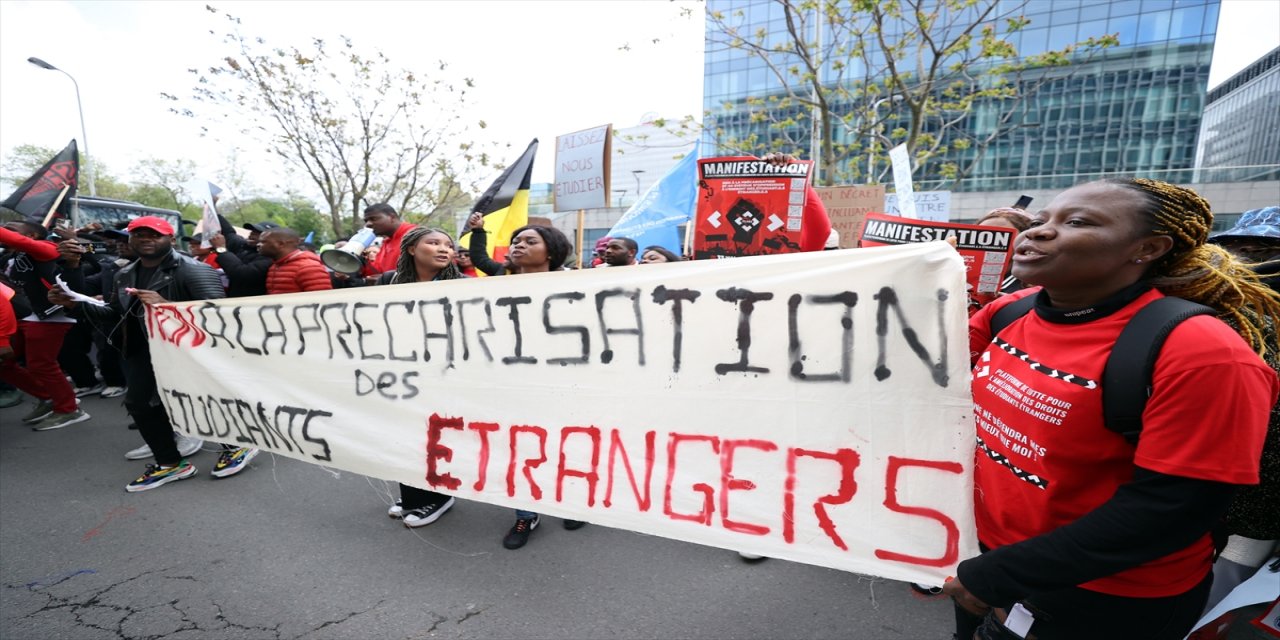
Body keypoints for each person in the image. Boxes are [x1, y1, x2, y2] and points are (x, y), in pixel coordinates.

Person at [945, 179, 1279, 640]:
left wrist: (1003, 572)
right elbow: (920, 374)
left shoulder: (1205, 355)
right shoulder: (1012, 310)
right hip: (988, 565)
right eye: (1042, 220)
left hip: (1106, 598)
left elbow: (1172, 510)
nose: (1039, 232)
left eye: (1076, 222)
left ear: (1147, 247)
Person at [48, 216, 226, 492]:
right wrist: (73, 304)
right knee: (141, 404)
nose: (146, 239)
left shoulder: (194, 270)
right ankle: (170, 463)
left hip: (187, 351)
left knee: (202, 401)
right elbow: (116, 315)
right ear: (130, 238)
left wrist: (168, 306)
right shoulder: (125, 273)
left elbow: (218, 318)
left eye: (154, 235)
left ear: (170, 238)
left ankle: (238, 445)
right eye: (139, 234)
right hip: (142, 348)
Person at [466, 211, 585, 549]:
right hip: (512, 382)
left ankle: (572, 502)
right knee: (519, 448)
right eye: (516, 241)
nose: (519, 246)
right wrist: (478, 231)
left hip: (563, 381)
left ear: (551, 251)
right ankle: (525, 513)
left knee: (566, 443)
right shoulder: (499, 279)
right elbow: (478, 258)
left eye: (529, 241)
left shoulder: (578, 285)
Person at [1201, 205, 1280, 611]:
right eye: (1239, 246)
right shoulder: (1211, 304)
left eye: (1264, 249)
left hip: (1257, 506)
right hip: (1195, 492)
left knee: (1218, 604)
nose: (1248, 257)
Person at [371, 226, 466, 527]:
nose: (443, 249)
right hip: (400, 372)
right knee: (403, 434)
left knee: (432, 435)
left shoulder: (464, 285)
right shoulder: (389, 281)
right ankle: (412, 496)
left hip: (442, 373)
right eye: (433, 243)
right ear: (411, 249)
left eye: (448, 246)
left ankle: (438, 496)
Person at [0, 220, 90, 431]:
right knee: (4, 362)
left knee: (41, 364)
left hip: (50, 314)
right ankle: (49, 397)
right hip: (23, 315)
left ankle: (69, 409)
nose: (5, 230)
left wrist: (76, 240)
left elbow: (88, 252)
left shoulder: (47, 248)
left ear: (31, 235)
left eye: (10, 228)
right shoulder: (8, 258)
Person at [260, 227, 333, 294]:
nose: (258, 245)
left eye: (263, 242)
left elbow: (321, 300)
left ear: (280, 244)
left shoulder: (309, 267)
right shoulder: (275, 266)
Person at [360, 203, 415, 279]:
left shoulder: (415, 236)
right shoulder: (387, 242)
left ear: (392, 217)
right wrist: (362, 262)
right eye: (366, 221)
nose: (368, 224)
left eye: (373, 219)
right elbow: (378, 272)